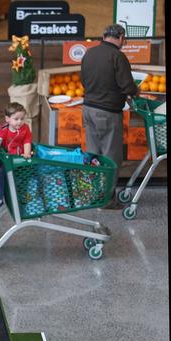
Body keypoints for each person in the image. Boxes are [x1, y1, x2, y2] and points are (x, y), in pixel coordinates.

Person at [81, 23, 138, 209]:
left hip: (88, 109)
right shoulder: (117, 56)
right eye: (124, 39)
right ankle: (106, 201)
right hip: (107, 113)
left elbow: (83, 79)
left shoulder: (89, 53)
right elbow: (127, 86)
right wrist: (135, 91)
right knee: (111, 157)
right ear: (120, 37)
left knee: (94, 155)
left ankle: (92, 195)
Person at [0, 102, 32, 217]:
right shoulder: (3, 128)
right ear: (7, 119)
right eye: (16, 119)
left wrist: (27, 153)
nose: (19, 122)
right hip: (3, 158)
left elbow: (27, 142)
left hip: (14, 159)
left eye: (22, 119)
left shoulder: (25, 129)